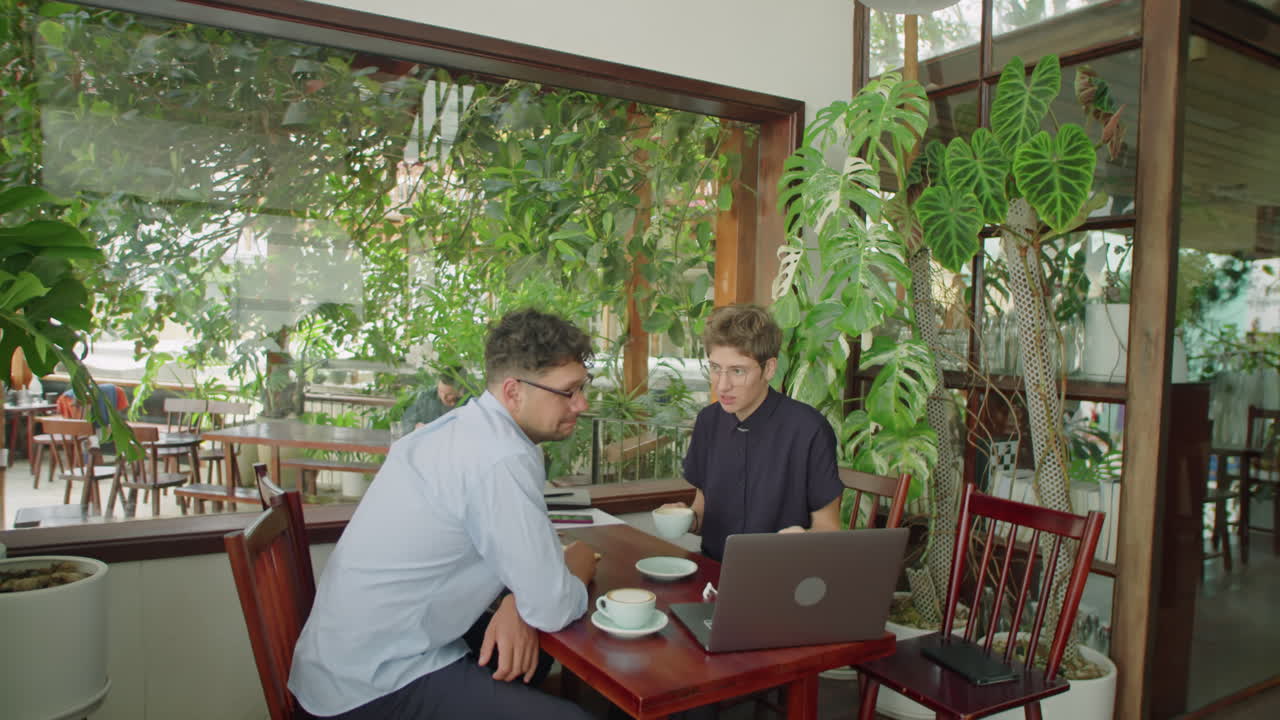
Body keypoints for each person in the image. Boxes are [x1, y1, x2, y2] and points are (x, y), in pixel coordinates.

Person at [289, 309, 599, 720]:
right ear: (513, 391)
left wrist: (519, 602)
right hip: (373, 685)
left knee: (530, 660)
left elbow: (527, 574)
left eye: (583, 386)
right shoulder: (499, 458)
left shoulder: (464, 429)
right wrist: (577, 564)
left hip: (344, 663)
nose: (582, 403)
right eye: (568, 391)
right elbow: (552, 604)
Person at [665, 304, 843, 561]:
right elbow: (702, 514)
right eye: (715, 368)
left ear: (769, 369)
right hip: (715, 574)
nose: (722, 385)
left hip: (778, 577)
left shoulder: (808, 429)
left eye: (738, 371)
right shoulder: (708, 422)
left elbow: (828, 529)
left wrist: (803, 540)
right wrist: (686, 519)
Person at [400, 366, 466, 429]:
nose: (443, 397)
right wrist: (415, 427)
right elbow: (407, 421)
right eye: (440, 391)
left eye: (449, 394)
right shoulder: (426, 397)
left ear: (461, 390)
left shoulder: (471, 401)